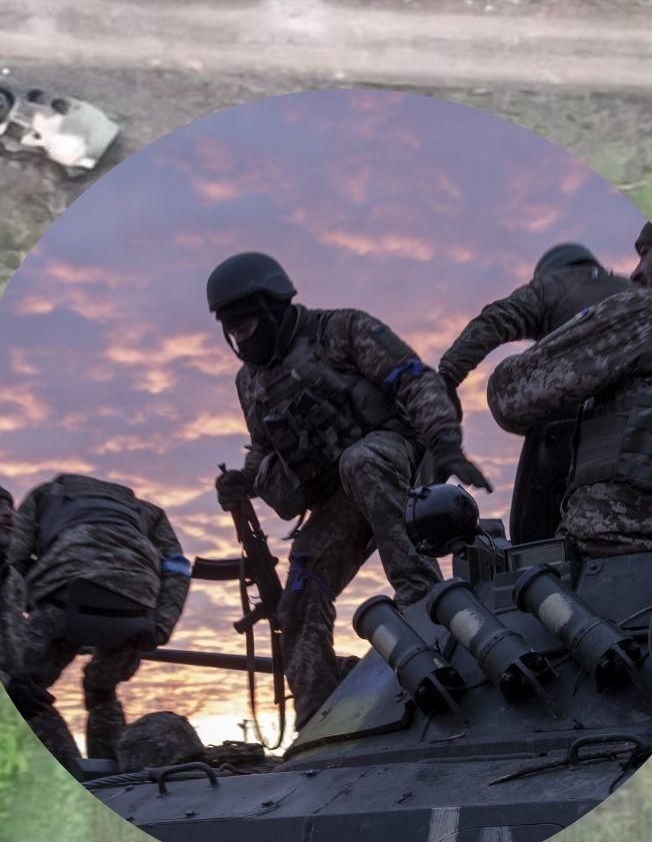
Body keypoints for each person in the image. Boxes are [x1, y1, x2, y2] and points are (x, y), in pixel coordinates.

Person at [206, 251, 490, 728]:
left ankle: (422, 604)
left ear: (273, 309)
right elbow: (263, 446)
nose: (241, 339)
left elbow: (414, 380)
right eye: (232, 331)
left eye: (248, 326)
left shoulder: (342, 330)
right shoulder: (249, 382)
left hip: (397, 462)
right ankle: (318, 720)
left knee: (362, 461)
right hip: (339, 497)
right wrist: (243, 480)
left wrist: (445, 442)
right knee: (300, 592)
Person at [489, 222, 652, 556]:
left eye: (644, 254)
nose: (636, 274)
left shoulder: (648, 311)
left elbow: (509, 396)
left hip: (615, 553)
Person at [436, 242, 636, 541]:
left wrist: (448, 375)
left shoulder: (550, 286)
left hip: (565, 426)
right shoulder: (634, 288)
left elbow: (496, 319)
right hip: (638, 421)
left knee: (533, 540)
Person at [8, 472, 191, 766]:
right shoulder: (148, 511)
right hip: (136, 606)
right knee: (101, 688)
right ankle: (114, 772)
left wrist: (12, 620)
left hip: (65, 594)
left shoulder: (45, 495)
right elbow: (178, 568)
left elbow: (11, 560)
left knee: (24, 688)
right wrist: (161, 625)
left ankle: (64, 767)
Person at [0, 479, 84, 773]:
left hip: (13, 694)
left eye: (11, 508)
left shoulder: (12, 580)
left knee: (71, 767)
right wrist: (5, 685)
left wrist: (24, 681)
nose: (9, 514)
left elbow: (16, 638)